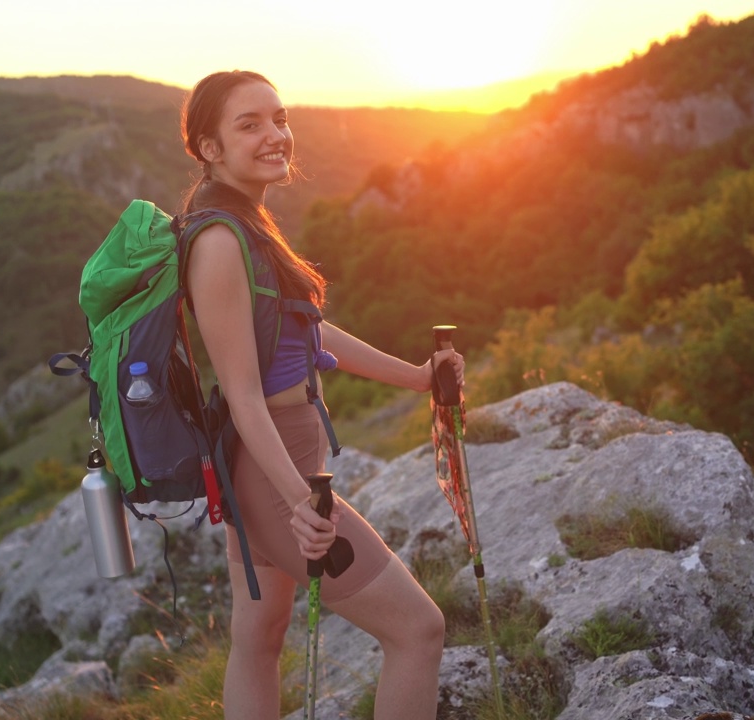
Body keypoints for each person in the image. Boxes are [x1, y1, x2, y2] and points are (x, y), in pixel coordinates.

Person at [180, 70, 461, 720]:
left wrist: (417, 377)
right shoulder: (220, 242)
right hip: (276, 468)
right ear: (210, 148)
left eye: (278, 118)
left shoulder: (245, 223)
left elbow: (306, 330)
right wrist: (299, 498)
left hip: (265, 465)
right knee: (418, 631)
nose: (276, 135)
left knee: (259, 638)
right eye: (249, 125)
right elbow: (244, 394)